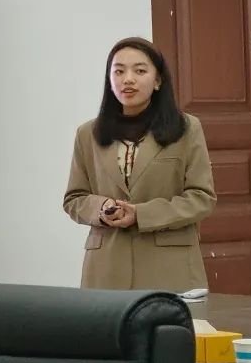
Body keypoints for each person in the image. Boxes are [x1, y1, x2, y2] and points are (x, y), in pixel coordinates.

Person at [63, 37, 216, 292]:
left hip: (170, 268)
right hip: (106, 270)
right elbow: (74, 199)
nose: (128, 79)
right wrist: (102, 207)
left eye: (140, 71)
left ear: (158, 81)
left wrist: (140, 214)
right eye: (119, 71)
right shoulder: (88, 134)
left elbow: (202, 198)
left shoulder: (186, 129)